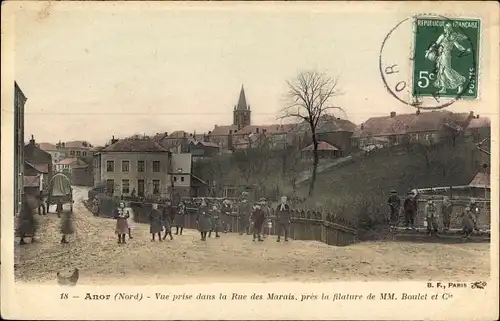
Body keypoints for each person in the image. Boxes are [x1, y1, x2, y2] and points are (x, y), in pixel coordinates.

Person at [425, 22, 469, 94]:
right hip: (440, 55)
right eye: (445, 28)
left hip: (447, 55)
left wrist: (464, 50)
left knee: (447, 71)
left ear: (450, 29)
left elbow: (457, 45)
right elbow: (436, 44)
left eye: (447, 28)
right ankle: (443, 88)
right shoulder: (442, 36)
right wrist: (429, 51)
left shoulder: (452, 37)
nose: (446, 29)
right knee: (441, 70)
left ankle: (459, 85)